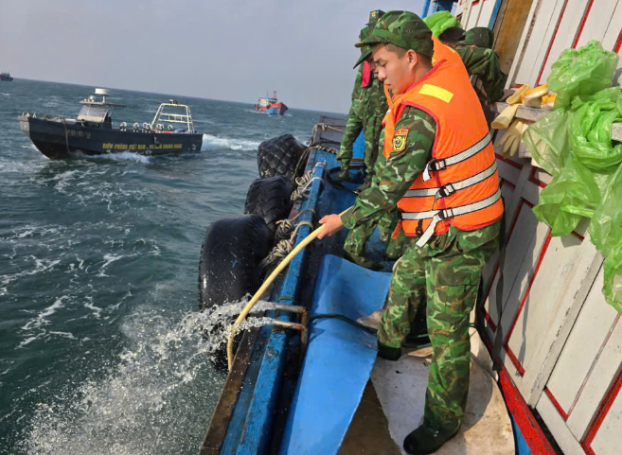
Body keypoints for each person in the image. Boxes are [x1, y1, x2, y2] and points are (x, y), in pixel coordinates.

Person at [318, 11, 503, 455]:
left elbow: (389, 185)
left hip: (460, 233)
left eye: (382, 63)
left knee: (447, 333)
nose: (377, 74)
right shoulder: (444, 70)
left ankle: (443, 421)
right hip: (439, 225)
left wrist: (341, 220)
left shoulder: (420, 112)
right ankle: (392, 343)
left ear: (412, 58)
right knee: (404, 276)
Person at [336, 10, 395, 268]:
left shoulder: (377, 61)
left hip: (371, 112)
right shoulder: (372, 60)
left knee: (373, 164)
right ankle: (347, 170)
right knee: (372, 164)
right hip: (366, 110)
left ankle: (354, 176)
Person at [456, 27, 507, 104]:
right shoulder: (457, 54)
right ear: (474, 48)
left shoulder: (447, 54)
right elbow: (488, 56)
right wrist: (497, 95)